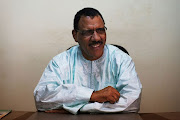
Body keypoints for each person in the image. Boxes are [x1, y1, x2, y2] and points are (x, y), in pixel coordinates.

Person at [34, 7, 142, 115]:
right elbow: (41, 98)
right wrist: (93, 95)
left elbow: (132, 103)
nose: (96, 38)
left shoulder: (121, 59)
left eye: (100, 30)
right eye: (88, 32)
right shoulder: (60, 62)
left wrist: (77, 109)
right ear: (75, 35)